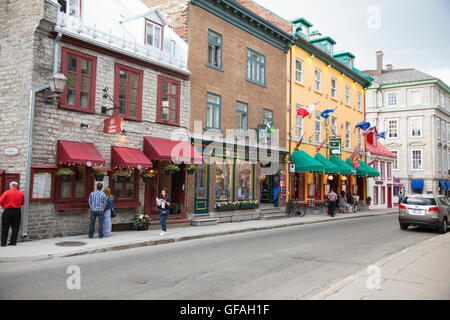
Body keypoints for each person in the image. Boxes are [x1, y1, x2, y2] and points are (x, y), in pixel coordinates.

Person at [0, 182, 25, 246]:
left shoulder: (7, 192)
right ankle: (13, 242)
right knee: (15, 227)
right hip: (17, 211)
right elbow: (22, 202)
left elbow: (1, 201)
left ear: (10, 186)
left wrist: (3, 206)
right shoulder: (21, 193)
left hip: (8, 211)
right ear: (17, 186)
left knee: (5, 227)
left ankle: (3, 243)